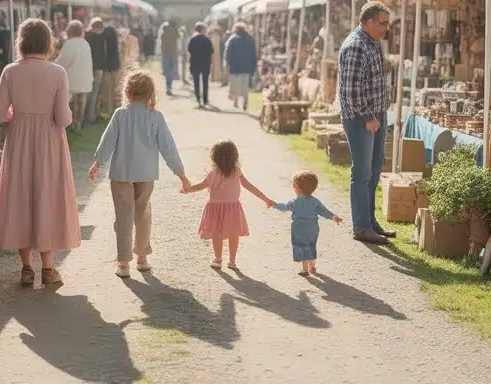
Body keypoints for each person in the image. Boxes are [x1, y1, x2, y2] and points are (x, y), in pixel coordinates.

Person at [0, 19, 81, 287]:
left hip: (18, 140)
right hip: (49, 142)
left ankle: (27, 268)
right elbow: (63, 119)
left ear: (21, 41)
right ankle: (49, 269)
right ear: (47, 42)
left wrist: (18, 114)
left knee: (20, 197)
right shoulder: (57, 73)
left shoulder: (10, 71)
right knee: (46, 197)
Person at [88, 70, 189, 278]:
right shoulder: (156, 116)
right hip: (146, 174)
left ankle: (124, 263)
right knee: (142, 215)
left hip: (121, 173)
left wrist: (98, 162)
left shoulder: (120, 114)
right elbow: (168, 147)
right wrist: (181, 173)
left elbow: (107, 141)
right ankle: (142, 258)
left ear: (126, 92)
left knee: (123, 217)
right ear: (151, 94)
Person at [338, 2, 395, 245]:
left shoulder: (373, 42)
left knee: (373, 170)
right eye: (383, 23)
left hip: (376, 115)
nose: (386, 28)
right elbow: (351, 90)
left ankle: (370, 222)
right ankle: (361, 226)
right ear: (369, 21)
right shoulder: (357, 46)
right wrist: (369, 117)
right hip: (361, 119)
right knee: (361, 172)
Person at [182, 140, 275, 270]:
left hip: (215, 208)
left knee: (216, 235)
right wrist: (265, 199)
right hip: (233, 208)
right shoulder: (236, 172)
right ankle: (232, 261)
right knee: (233, 234)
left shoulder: (213, 173)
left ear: (214, 158)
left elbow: (200, 186)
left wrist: (188, 189)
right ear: (234, 157)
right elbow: (250, 187)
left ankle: (218, 259)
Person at [274, 170, 342, 276]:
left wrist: (274, 204)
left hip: (299, 228)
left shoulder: (294, 202)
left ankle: (305, 269)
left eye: (294, 186)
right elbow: (324, 211)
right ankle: (313, 266)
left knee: (301, 246)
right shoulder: (315, 201)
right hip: (313, 228)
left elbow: (284, 207)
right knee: (311, 245)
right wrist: (333, 217)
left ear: (297, 188)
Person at [54, 20, 94, 130]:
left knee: (73, 102)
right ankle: (79, 123)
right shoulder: (85, 43)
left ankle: (72, 124)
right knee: (82, 100)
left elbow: (63, 61)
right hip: (85, 77)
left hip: (73, 78)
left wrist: (52, 65)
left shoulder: (70, 44)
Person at [223, 22, 258, 111]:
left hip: (235, 66)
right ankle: (245, 103)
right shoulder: (250, 39)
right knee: (245, 85)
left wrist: (227, 62)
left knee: (236, 84)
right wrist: (253, 65)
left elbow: (227, 52)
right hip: (247, 66)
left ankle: (235, 102)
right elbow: (254, 53)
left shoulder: (232, 39)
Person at [86, 17, 108, 126]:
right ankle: (91, 117)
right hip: (98, 68)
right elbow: (103, 54)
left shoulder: (86, 36)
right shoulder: (101, 38)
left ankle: (86, 117)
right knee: (94, 93)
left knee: (87, 93)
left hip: (88, 68)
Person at [187, 22, 214, 107]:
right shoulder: (207, 39)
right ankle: (205, 99)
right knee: (205, 81)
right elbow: (211, 51)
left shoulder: (193, 39)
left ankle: (198, 97)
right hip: (205, 63)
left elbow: (189, 50)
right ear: (202, 30)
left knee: (196, 81)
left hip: (195, 62)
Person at [102, 17, 123, 111]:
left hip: (106, 66)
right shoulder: (115, 35)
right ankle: (119, 107)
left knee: (108, 90)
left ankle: (110, 109)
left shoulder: (103, 37)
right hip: (116, 65)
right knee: (117, 89)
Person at [158, 20, 180, 95]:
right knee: (171, 70)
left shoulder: (163, 32)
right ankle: (169, 86)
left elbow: (161, 43)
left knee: (167, 70)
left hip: (166, 53)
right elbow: (178, 38)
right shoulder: (175, 31)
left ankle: (168, 86)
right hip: (173, 53)